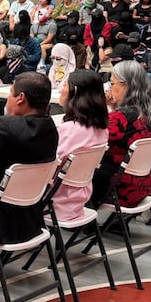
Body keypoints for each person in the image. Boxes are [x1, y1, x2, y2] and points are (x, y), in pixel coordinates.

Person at [0, 72, 59, 244]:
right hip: (30, 220)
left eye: (10, 93)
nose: (7, 98)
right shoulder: (51, 128)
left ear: (20, 98)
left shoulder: (5, 127)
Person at [90, 60, 151, 208]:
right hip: (143, 184)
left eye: (112, 83)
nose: (110, 88)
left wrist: (102, 107)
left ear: (125, 85)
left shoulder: (120, 117)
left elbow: (92, 139)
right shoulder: (150, 111)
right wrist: (113, 107)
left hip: (117, 188)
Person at [51, 70, 109, 222]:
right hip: (79, 199)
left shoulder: (68, 131)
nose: (61, 89)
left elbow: (47, 166)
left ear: (74, 91)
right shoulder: (103, 130)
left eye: (65, 85)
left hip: (53, 201)